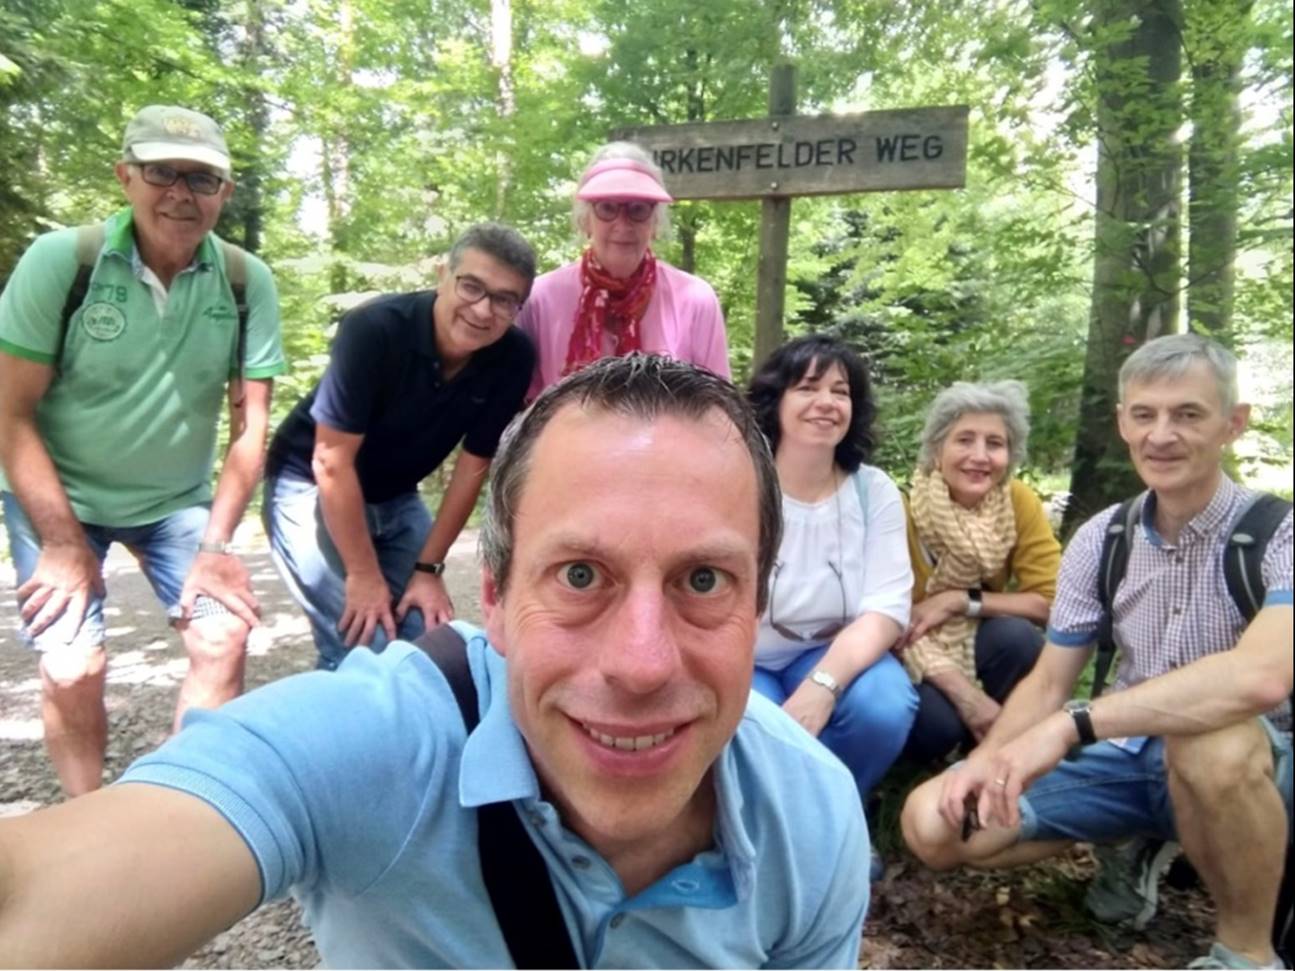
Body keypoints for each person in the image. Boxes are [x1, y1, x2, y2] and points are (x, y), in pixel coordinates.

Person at [0, 355, 869, 968]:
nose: (641, 663)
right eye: (579, 575)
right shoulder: (372, 745)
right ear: (493, 595)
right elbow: (38, 896)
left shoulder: (812, 815)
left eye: (704, 579)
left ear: (758, 603)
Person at [901, 334, 1292, 971]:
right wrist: (990, 758)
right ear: (1122, 423)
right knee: (933, 821)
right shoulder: (1102, 538)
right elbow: (1050, 680)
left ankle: (1246, 952)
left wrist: (1071, 726)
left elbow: (1262, 677)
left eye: (1187, 414)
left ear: (1233, 423)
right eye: (1144, 414)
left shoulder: (1280, 532)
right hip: (1128, 759)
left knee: (1207, 745)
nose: (1161, 435)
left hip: (1260, 766)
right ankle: (1133, 838)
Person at [0, 105, 285, 797]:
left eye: (201, 179)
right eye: (162, 172)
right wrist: (62, 542)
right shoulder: (64, 262)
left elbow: (250, 428)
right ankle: (89, 812)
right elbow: (10, 413)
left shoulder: (245, 282)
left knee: (223, 635)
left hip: (174, 506)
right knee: (72, 664)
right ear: (125, 176)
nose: (180, 194)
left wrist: (216, 547)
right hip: (61, 500)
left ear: (224, 192)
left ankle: (175, 802)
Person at [263, 223, 536, 670]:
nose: (483, 310)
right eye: (471, 286)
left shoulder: (513, 357)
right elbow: (330, 461)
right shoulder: (374, 329)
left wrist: (429, 570)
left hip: (396, 494)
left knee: (429, 642)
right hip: (309, 483)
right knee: (363, 643)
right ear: (442, 275)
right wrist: (363, 574)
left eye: (505, 300)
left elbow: (473, 466)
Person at [746, 336, 917, 840]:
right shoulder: (739, 483)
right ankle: (769, 836)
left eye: (840, 392)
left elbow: (885, 608)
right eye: (807, 387)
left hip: (830, 651)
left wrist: (822, 686)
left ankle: (837, 828)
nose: (826, 402)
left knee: (884, 706)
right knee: (752, 727)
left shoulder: (873, 491)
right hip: (745, 655)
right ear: (776, 401)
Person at [899, 380, 1061, 764]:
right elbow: (882, 618)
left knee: (1018, 639)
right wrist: (967, 697)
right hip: (906, 646)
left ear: (1010, 454)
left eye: (995, 443)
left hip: (976, 635)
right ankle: (943, 749)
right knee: (938, 727)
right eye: (964, 440)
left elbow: (1053, 602)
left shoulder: (1017, 501)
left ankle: (992, 753)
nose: (980, 456)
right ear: (936, 449)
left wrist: (959, 600)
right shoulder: (900, 508)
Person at [516, 141, 730, 398]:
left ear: (655, 222)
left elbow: (718, 404)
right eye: (607, 208)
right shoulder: (540, 298)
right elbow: (519, 404)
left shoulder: (695, 299)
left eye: (638, 209)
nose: (623, 224)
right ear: (585, 220)